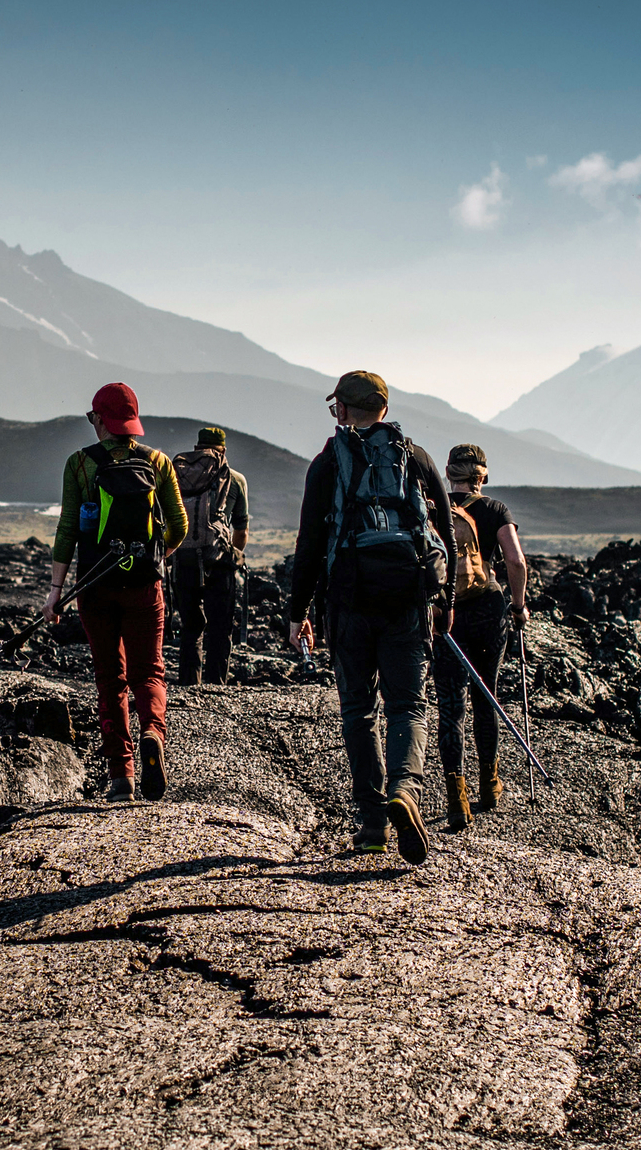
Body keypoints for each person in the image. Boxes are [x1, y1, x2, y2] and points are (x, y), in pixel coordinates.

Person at [284, 370, 462, 864]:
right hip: (407, 600)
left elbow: (309, 545)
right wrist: (444, 601)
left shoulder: (327, 463)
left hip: (349, 603)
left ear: (342, 409)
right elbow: (444, 535)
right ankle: (406, 790)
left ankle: (371, 825)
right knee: (408, 704)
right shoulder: (417, 458)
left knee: (359, 710)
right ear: (383, 407)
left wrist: (298, 612)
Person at [46, 382, 186, 801]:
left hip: (94, 586)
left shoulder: (79, 465)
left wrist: (55, 590)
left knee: (111, 680)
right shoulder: (158, 462)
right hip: (145, 585)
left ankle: (121, 777)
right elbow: (178, 525)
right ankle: (152, 733)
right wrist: (154, 558)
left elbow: (68, 529)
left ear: (99, 421)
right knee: (149, 672)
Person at [434, 443, 530, 826]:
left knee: (450, 705)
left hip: (446, 613)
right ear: (482, 476)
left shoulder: (432, 508)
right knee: (485, 695)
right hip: (488, 609)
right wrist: (518, 606)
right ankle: (490, 784)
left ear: (448, 473)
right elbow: (516, 561)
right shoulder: (494, 510)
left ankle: (456, 797)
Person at [167, 426, 249, 685]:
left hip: (183, 560)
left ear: (196, 448)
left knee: (191, 628)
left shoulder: (177, 476)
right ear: (223, 449)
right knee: (220, 629)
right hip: (219, 563)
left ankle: (189, 684)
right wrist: (232, 556)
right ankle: (216, 686)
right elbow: (241, 529)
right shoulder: (235, 479)